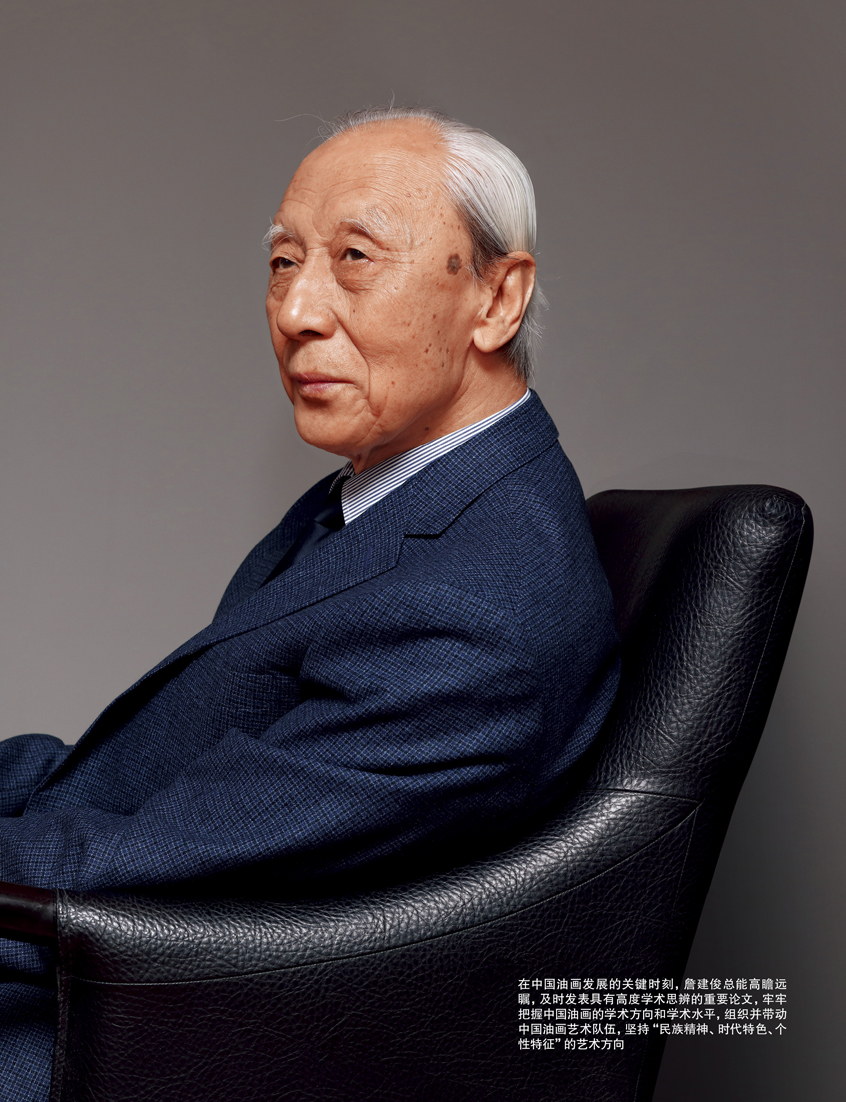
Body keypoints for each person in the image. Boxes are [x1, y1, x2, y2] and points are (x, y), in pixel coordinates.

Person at [0, 106, 620, 1098]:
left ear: (497, 298)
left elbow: (152, 868)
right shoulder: (393, 499)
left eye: (356, 258)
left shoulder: (477, 614)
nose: (295, 311)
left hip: (113, 1037)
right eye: (284, 262)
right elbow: (162, 784)